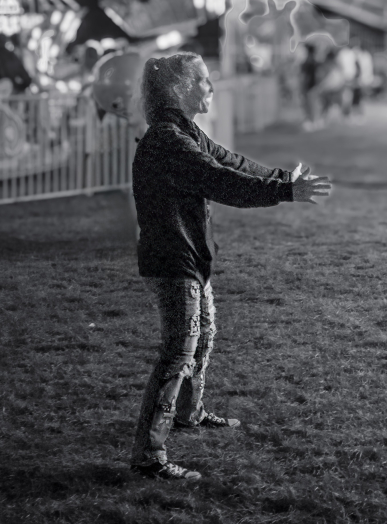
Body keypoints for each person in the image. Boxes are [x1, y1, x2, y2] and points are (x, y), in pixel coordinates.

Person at [128, 52, 332, 480]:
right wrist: (284, 193)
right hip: (173, 260)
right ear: (181, 88)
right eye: (203, 80)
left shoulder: (185, 131)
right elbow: (223, 181)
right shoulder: (167, 140)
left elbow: (232, 162)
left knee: (201, 340)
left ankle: (189, 413)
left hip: (191, 255)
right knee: (177, 354)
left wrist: (284, 180)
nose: (211, 88)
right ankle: (148, 456)